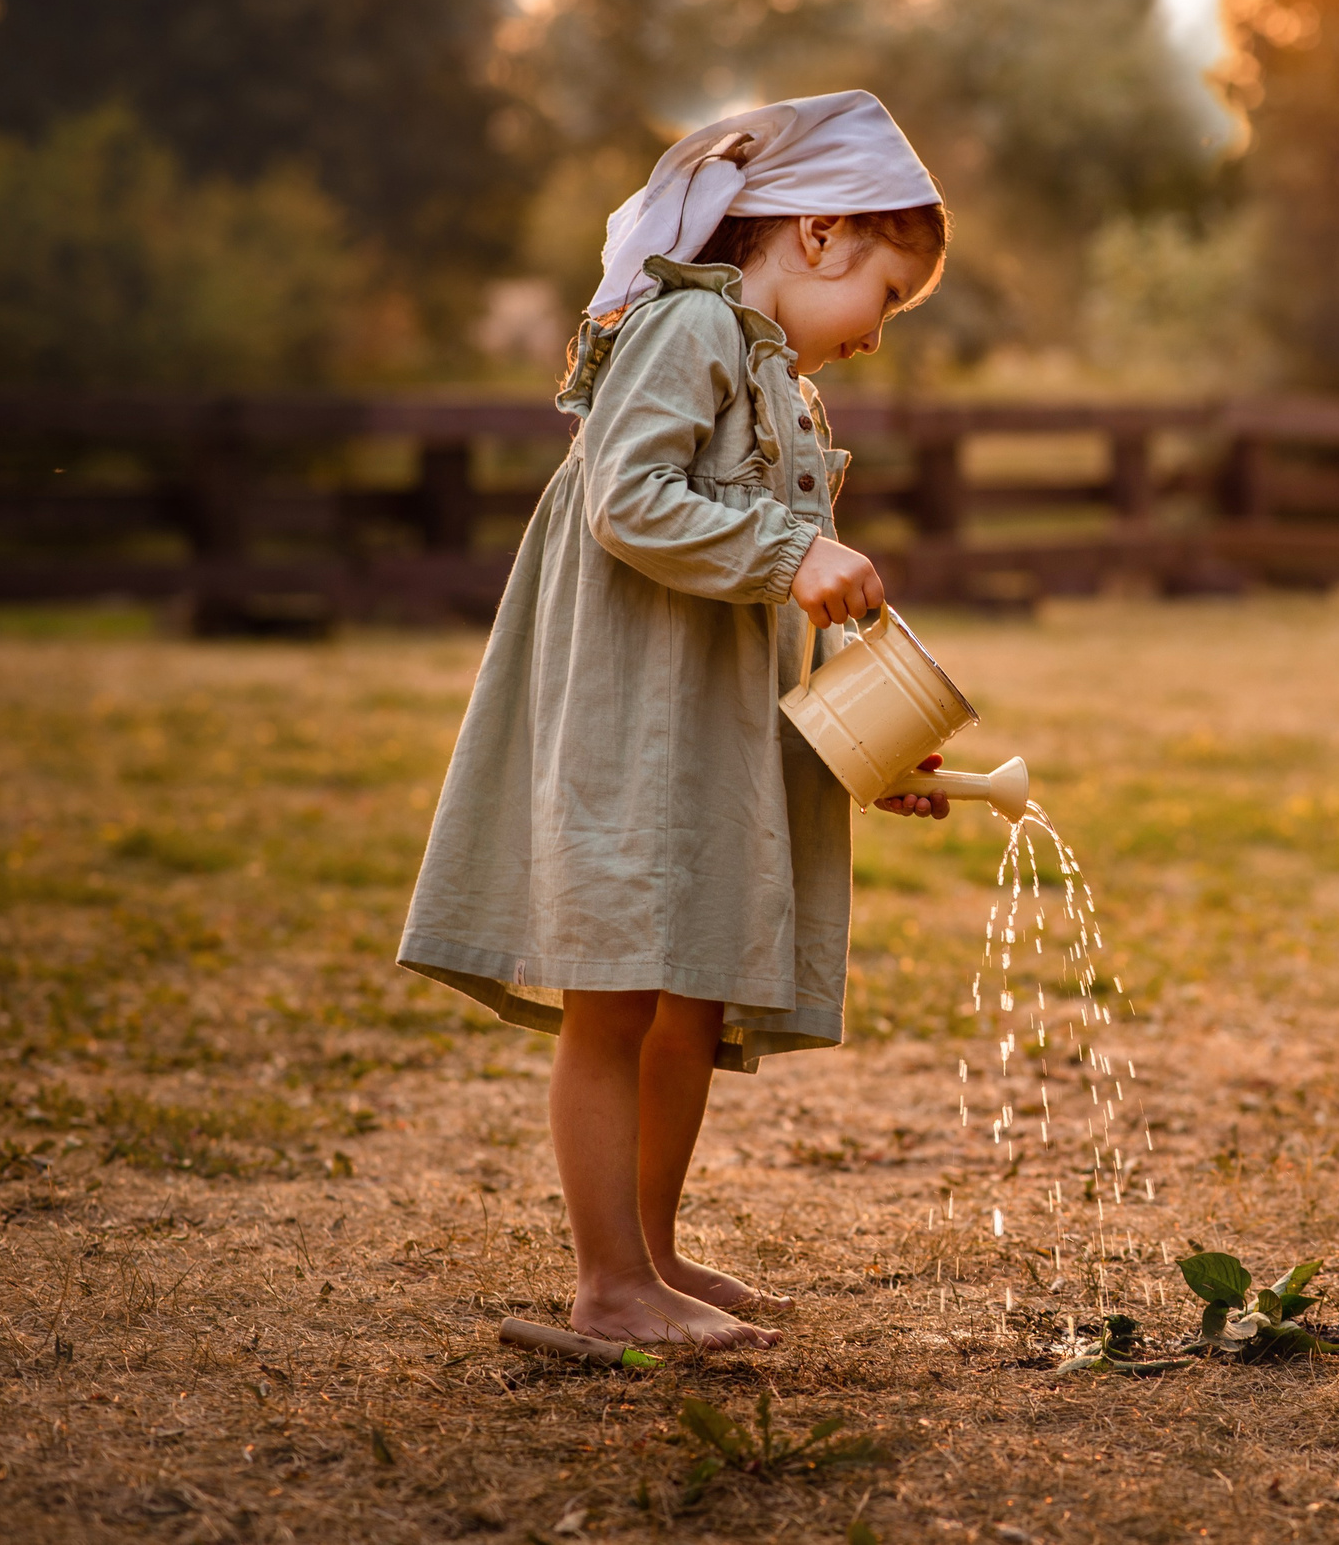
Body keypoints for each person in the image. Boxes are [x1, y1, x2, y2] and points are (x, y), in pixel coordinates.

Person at [397, 94, 957, 1349]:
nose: (877, 337)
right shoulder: (688, 323)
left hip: (711, 732)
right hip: (632, 717)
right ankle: (607, 1285)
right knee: (618, 992)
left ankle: (651, 1255)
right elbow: (629, 499)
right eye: (885, 297)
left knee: (690, 990)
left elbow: (788, 582)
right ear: (819, 232)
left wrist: (865, 745)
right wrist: (793, 549)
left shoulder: (783, 382)